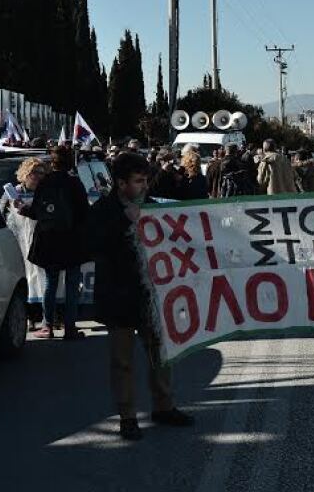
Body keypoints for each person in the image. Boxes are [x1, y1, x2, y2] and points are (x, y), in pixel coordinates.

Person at [86, 153, 193, 439]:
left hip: (152, 296)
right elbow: (93, 244)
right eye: (138, 181)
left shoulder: (153, 207)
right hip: (118, 296)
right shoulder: (103, 210)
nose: (144, 186)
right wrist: (124, 220)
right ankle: (127, 416)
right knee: (122, 360)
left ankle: (164, 405)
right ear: (121, 183)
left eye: (146, 180)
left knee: (161, 353)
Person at [23, 146, 89, 340]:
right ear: (70, 163)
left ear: (52, 163)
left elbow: (36, 211)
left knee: (50, 283)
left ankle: (48, 326)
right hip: (72, 240)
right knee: (71, 283)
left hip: (49, 239)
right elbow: (84, 212)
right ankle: (70, 327)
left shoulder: (45, 183)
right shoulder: (75, 183)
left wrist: (23, 209)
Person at [0, 157, 49, 331]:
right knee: (25, 279)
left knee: (41, 279)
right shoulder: (13, 192)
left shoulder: (46, 193)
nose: (38, 176)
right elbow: (1, 214)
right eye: (35, 172)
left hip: (41, 241)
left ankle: (46, 317)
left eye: (42, 173)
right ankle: (29, 318)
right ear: (26, 173)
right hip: (20, 243)